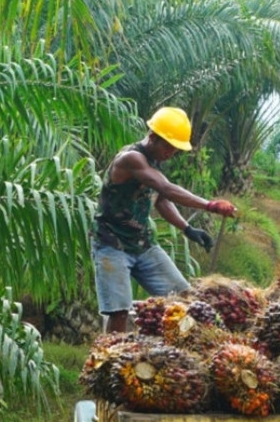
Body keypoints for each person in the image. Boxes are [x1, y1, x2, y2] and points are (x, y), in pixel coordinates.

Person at [92, 106, 237, 332]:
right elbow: (165, 188)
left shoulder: (154, 162)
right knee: (119, 311)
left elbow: (160, 200)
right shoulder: (132, 158)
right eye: (169, 146)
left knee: (183, 298)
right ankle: (110, 357)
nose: (171, 153)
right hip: (112, 245)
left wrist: (188, 229)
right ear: (152, 137)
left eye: (176, 149)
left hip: (143, 244)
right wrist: (209, 205)